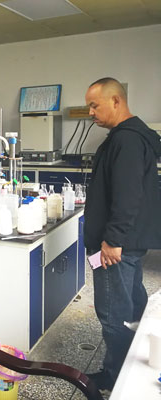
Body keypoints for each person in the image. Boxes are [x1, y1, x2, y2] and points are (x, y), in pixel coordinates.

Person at [84, 77, 161, 391]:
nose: (90, 112)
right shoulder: (131, 136)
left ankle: (117, 378)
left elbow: (128, 196)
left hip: (115, 247)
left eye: (94, 105)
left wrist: (113, 240)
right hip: (127, 244)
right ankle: (134, 366)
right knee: (131, 303)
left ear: (116, 101)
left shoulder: (126, 140)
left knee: (113, 314)